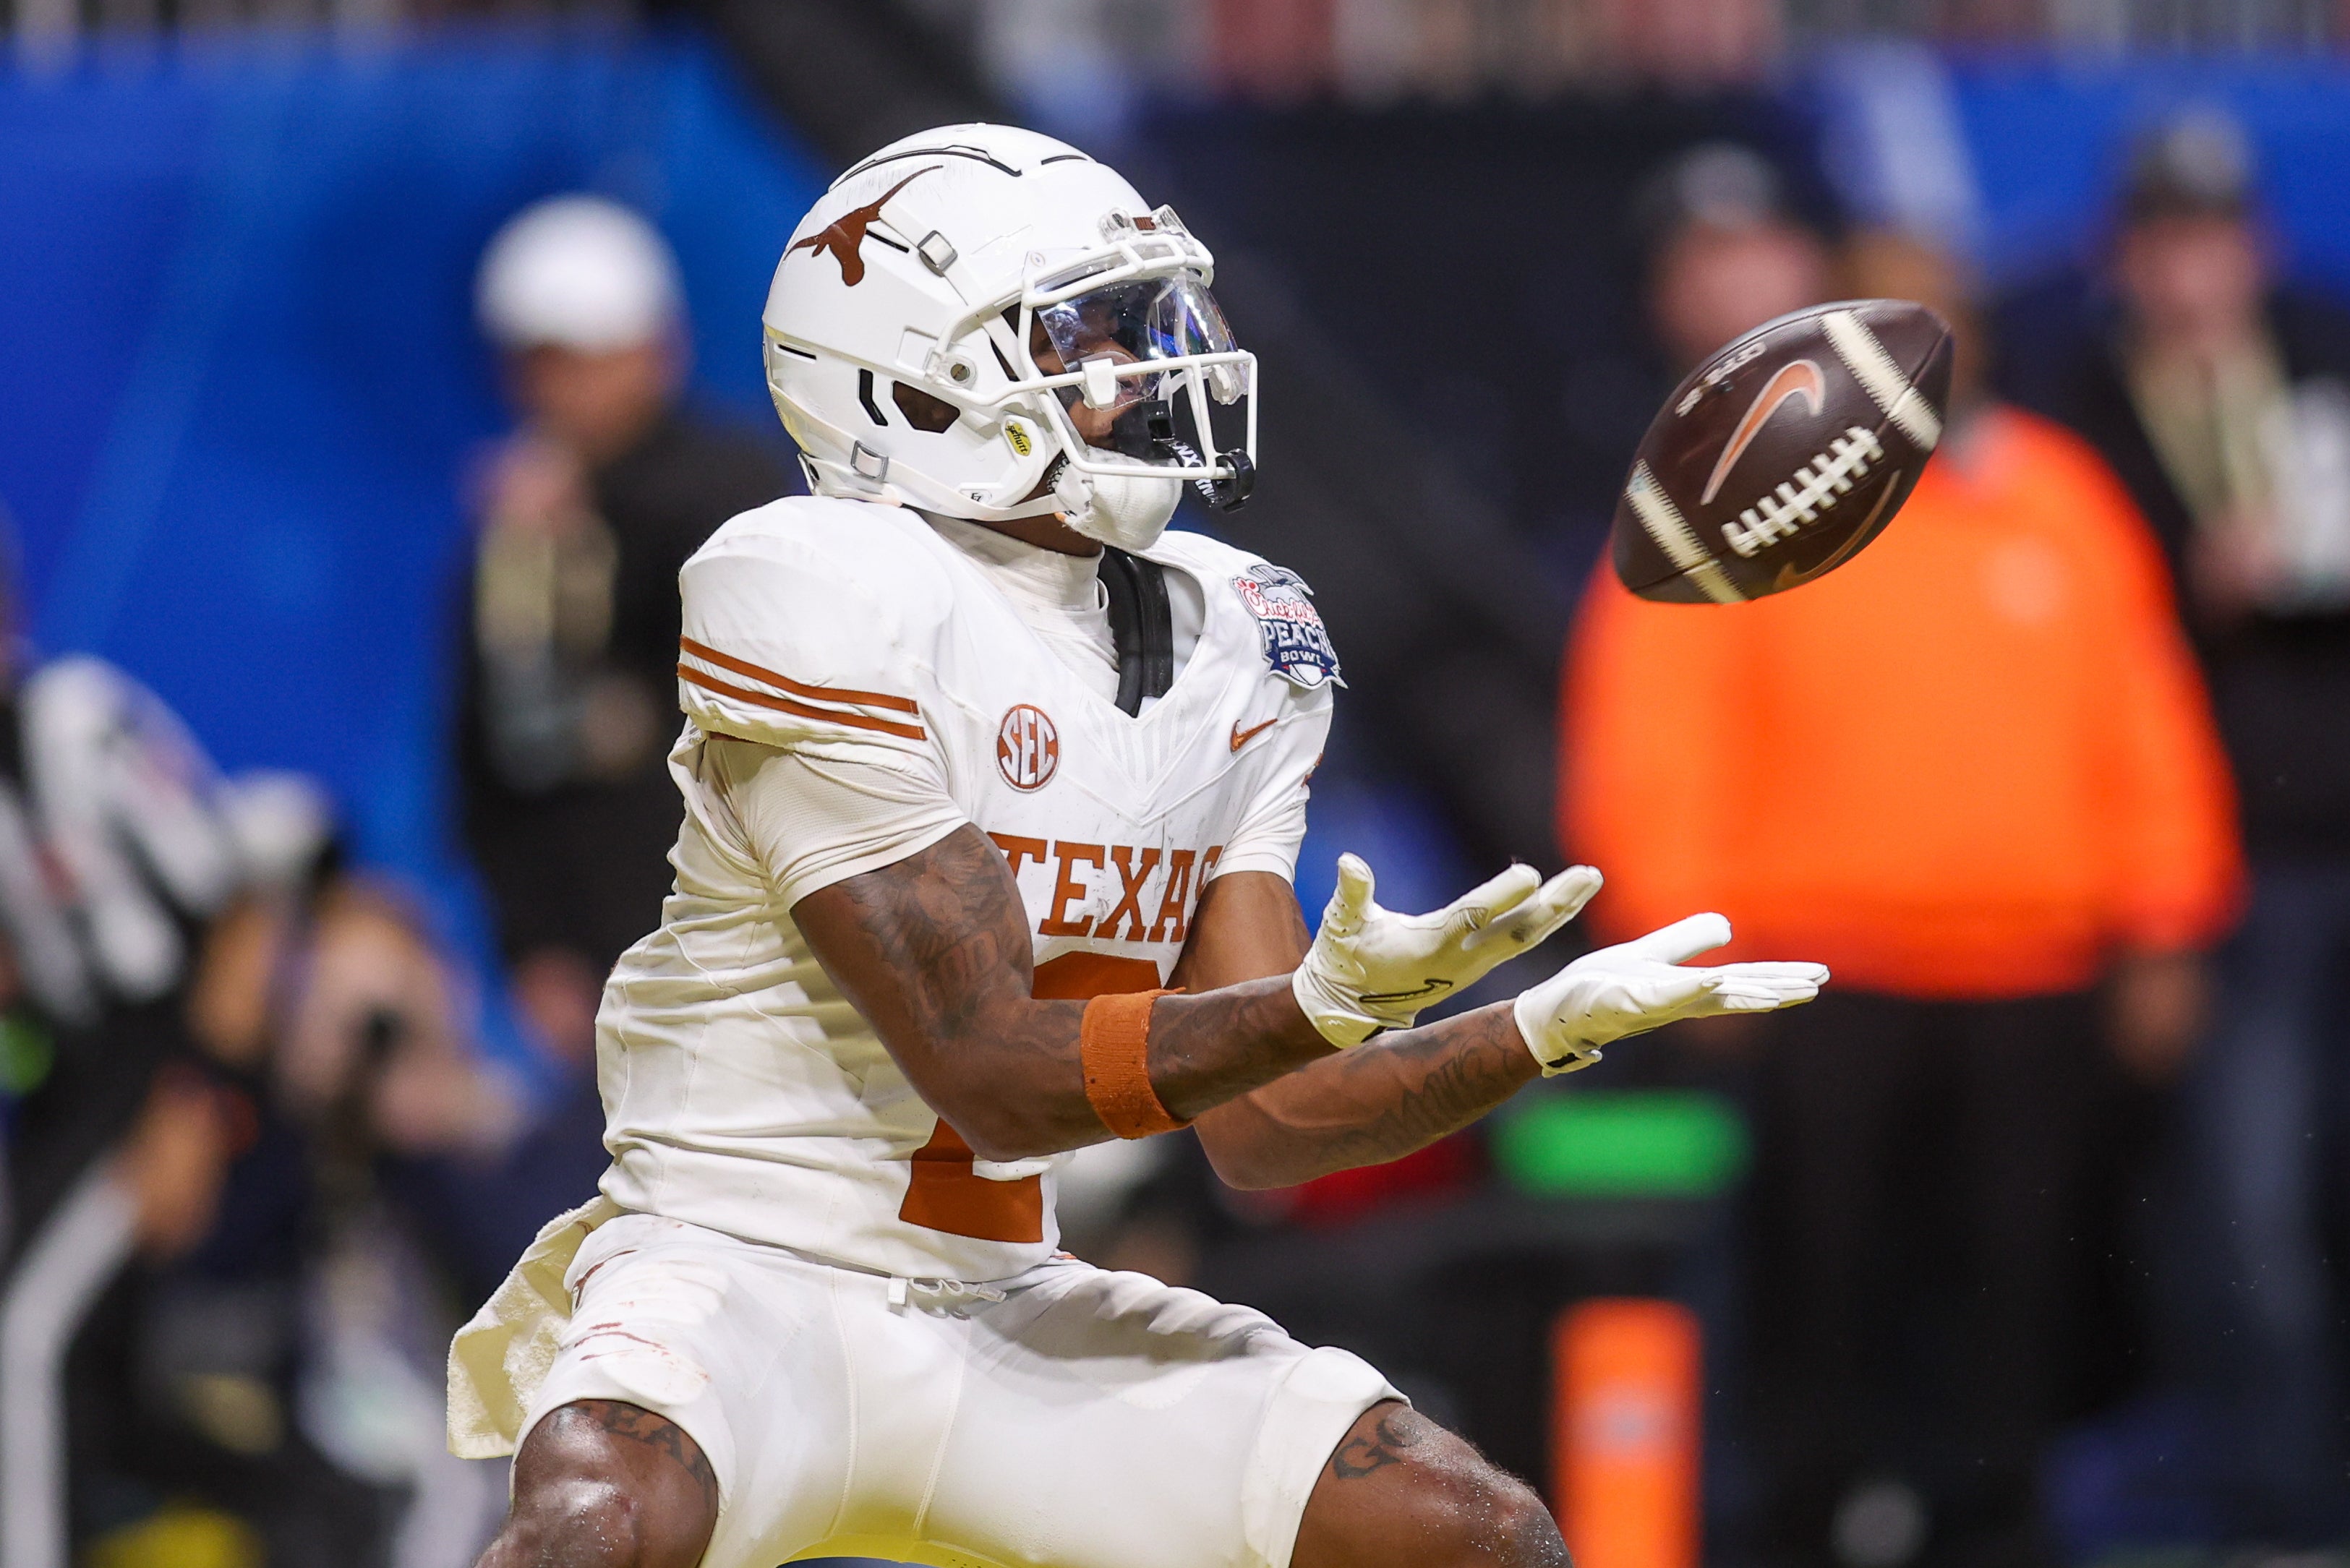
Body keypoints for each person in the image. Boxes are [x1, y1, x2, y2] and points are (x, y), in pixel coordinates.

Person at [448, 124, 1829, 1568]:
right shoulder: (812, 589)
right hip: (740, 1282)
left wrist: (1528, 1028)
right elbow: (991, 1071)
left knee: (1465, 1527)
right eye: (1089, 334)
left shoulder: (1239, 629)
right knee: (597, 1512)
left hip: (997, 1299)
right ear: (911, 380)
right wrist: (1311, 1007)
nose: (1149, 365)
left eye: (1146, 319)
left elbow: (1270, 1123)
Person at [1559, 231, 2243, 1562]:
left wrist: (2168, 920)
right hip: (1819, 971)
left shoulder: (2058, 496)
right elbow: (1654, 730)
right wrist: (1683, 934)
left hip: (2035, 973)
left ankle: (1997, 1530)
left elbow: (2146, 721)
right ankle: (1803, 1530)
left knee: (2017, 1295)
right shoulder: (1742, 499)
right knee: (1813, 1295)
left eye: (1937, 317)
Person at [2025, 110, 2350, 1543]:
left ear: (2255, 247)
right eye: (2161, 241)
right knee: (2239, 1206)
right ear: (2121, 256)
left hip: (2330, 833)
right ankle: (2273, 1496)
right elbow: (2058, 632)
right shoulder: (2075, 407)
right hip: (2205, 868)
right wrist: (2182, 574)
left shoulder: (2329, 363)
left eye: (2210, 238)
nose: (2188, 272)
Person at [458, 195, 792, 1064]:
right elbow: (493, 753)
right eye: (542, 363)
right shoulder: (517, 529)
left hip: (759, 918)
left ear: (656, 351)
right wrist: (529, 945)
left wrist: (577, 531)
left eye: (585, 359)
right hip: (607, 944)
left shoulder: (729, 488)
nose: (562, 388)